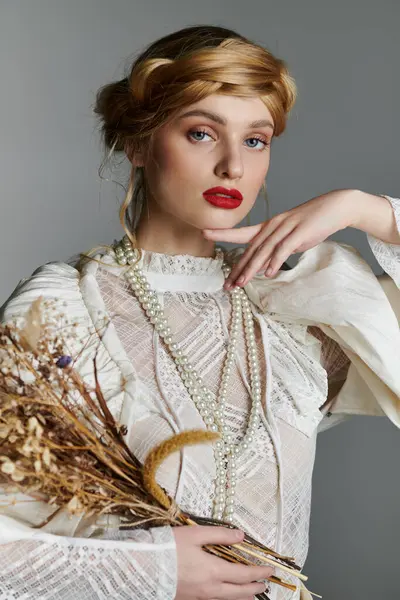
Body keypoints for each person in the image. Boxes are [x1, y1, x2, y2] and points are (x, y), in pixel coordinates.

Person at [0, 24, 399, 600]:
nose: (234, 166)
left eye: (256, 140)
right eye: (201, 134)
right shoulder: (65, 310)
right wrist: (148, 571)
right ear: (138, 144)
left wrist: (364, 210)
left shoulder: (294, 309)